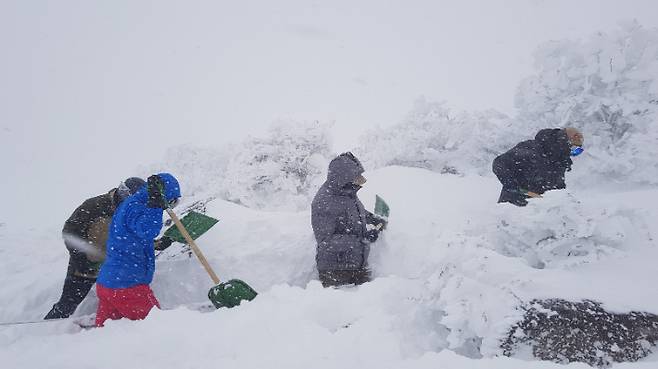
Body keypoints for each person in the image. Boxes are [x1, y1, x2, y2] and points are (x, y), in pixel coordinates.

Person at [44, 177, 173, 320]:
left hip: (112, 267)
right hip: (85, 267)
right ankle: (46, 331)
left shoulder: (129, 212)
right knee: (68, 304)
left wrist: (158, 243)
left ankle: (111, 332)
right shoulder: (95, 206)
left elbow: (133, 239)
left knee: (112, 303)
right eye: (125, 194)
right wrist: (82, 257)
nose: (126, 199)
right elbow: (70, 232)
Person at [95, 173, 181, 327]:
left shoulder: (130, 204)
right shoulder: (136, 207)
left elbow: (135, 238)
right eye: (171, 201)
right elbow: (148, 230)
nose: (170, 206)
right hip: (127, 287)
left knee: (105, 337)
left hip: (108, 283)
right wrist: (156, 206)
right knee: (156, 327)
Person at [311, 152, 387, 287]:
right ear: (344, 177)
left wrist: (371, 218)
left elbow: (354, 210)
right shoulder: (324, 201)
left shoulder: (346, 191)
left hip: (357, 265)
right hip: (336, 272)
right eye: (356, 177)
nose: (360, 180)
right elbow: (325, 241)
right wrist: (362, 239)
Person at [492, 127, 584, 207]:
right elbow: (499, 163)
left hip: (539, 214)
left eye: (578, 151)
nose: (573, 154)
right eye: (574, 150)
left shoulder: (558, 162)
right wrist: (510, 184)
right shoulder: (532, 149)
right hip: (513, 209)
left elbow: (558, 189)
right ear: (565, 142)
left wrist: (569, 203)